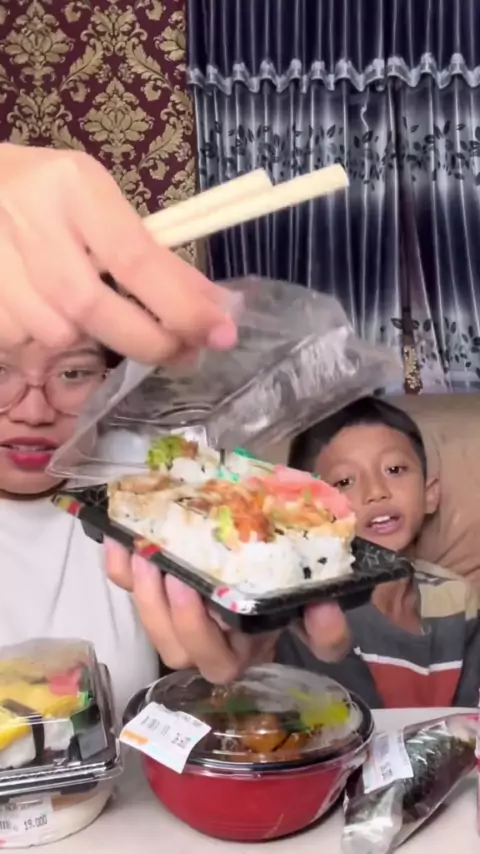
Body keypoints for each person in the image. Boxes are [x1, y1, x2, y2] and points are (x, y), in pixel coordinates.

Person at [0, 142, 350, 699]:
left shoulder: (150, 484)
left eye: (73, 373)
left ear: (111, 381)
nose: (34, 410)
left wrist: (251, 629)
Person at [275, 397, 480, 708]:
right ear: (310, 511)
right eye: (345, 481)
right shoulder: (307, 607)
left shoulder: (456, 597)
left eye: (394, 469)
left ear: (430, 494)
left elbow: (470, 717)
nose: (376, 492)